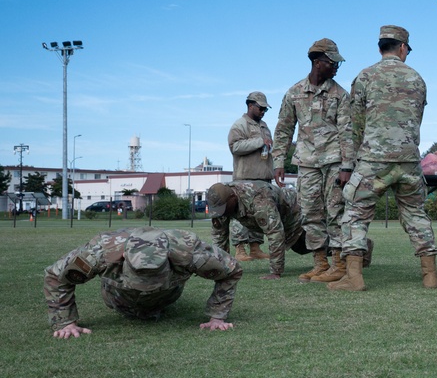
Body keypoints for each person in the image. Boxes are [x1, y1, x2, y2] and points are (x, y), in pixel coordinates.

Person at [334, 25, 437, 291]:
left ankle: (354, 277)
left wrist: (357, 157)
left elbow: (355, 123)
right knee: (415, 214)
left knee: (356, 214)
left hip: (373, 160)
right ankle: (430, 276)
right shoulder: (417, 78)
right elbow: (417, 120)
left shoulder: (365, 76)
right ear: (403, 47)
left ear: (380, 47)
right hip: (408, 161)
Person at [44, 227, 242, 339]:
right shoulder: (103, 251)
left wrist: (217, 317)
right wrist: (65, 322)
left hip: (167, 297)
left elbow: (231, 271)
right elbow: (56, 275)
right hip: (118, 298)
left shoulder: (188, 251)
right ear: (123, 256)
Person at [272, 38, 354, 284]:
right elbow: (284, 129)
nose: (337, 68)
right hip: (307, 164)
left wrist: (347, 165)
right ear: (318, 63)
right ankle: (320, 263)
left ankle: (339, 264)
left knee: (336, 211)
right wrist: (278, 161)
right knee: (309, 214)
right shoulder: (294, 93)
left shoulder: (340, 95)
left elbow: (347, 132)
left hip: (334, 163)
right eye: (332, 63)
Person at [206, 181, 310, 280]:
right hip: (281, 216)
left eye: (223, 208)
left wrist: (275, 271)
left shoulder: (259, 199)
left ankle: (323, 263)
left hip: (296, 213)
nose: (221, 213)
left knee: (305, 244)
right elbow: (219, 236)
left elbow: (275, 233)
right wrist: (220, 268)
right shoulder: (222, 204)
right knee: (300, 247)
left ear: (233, 198)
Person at [227, 91, 274, 263]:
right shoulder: (239, 125)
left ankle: (255, 247)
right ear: (250, 105)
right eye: (260, 108)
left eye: (265, 109)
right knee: (242, 215)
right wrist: (259, 142)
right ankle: (240, 248)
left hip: (263, 179)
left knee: (259, 215)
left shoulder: (264, 126)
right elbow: (235, 147)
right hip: (245, 179)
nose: (263, 112)